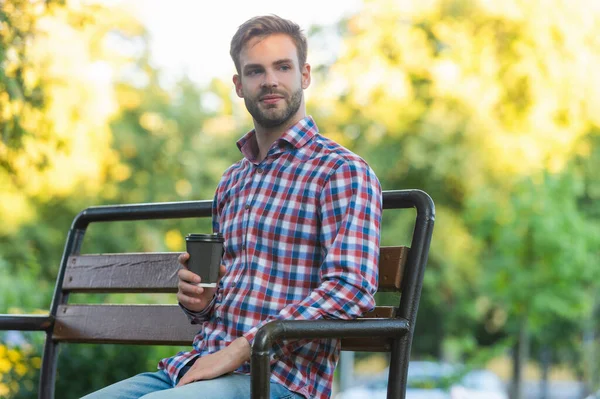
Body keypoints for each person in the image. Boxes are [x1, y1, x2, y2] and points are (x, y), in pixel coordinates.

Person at [81, 14, 382, 399]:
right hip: (197, 365)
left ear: (305, 75)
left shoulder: (341, 171)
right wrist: (201, 302)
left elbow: (351, 288)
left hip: (278, 380)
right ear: (239, 85)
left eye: (283, 67)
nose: (270, 80)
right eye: (255, 71)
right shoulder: (233, 180)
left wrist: (244, 347)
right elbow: (215, 298)